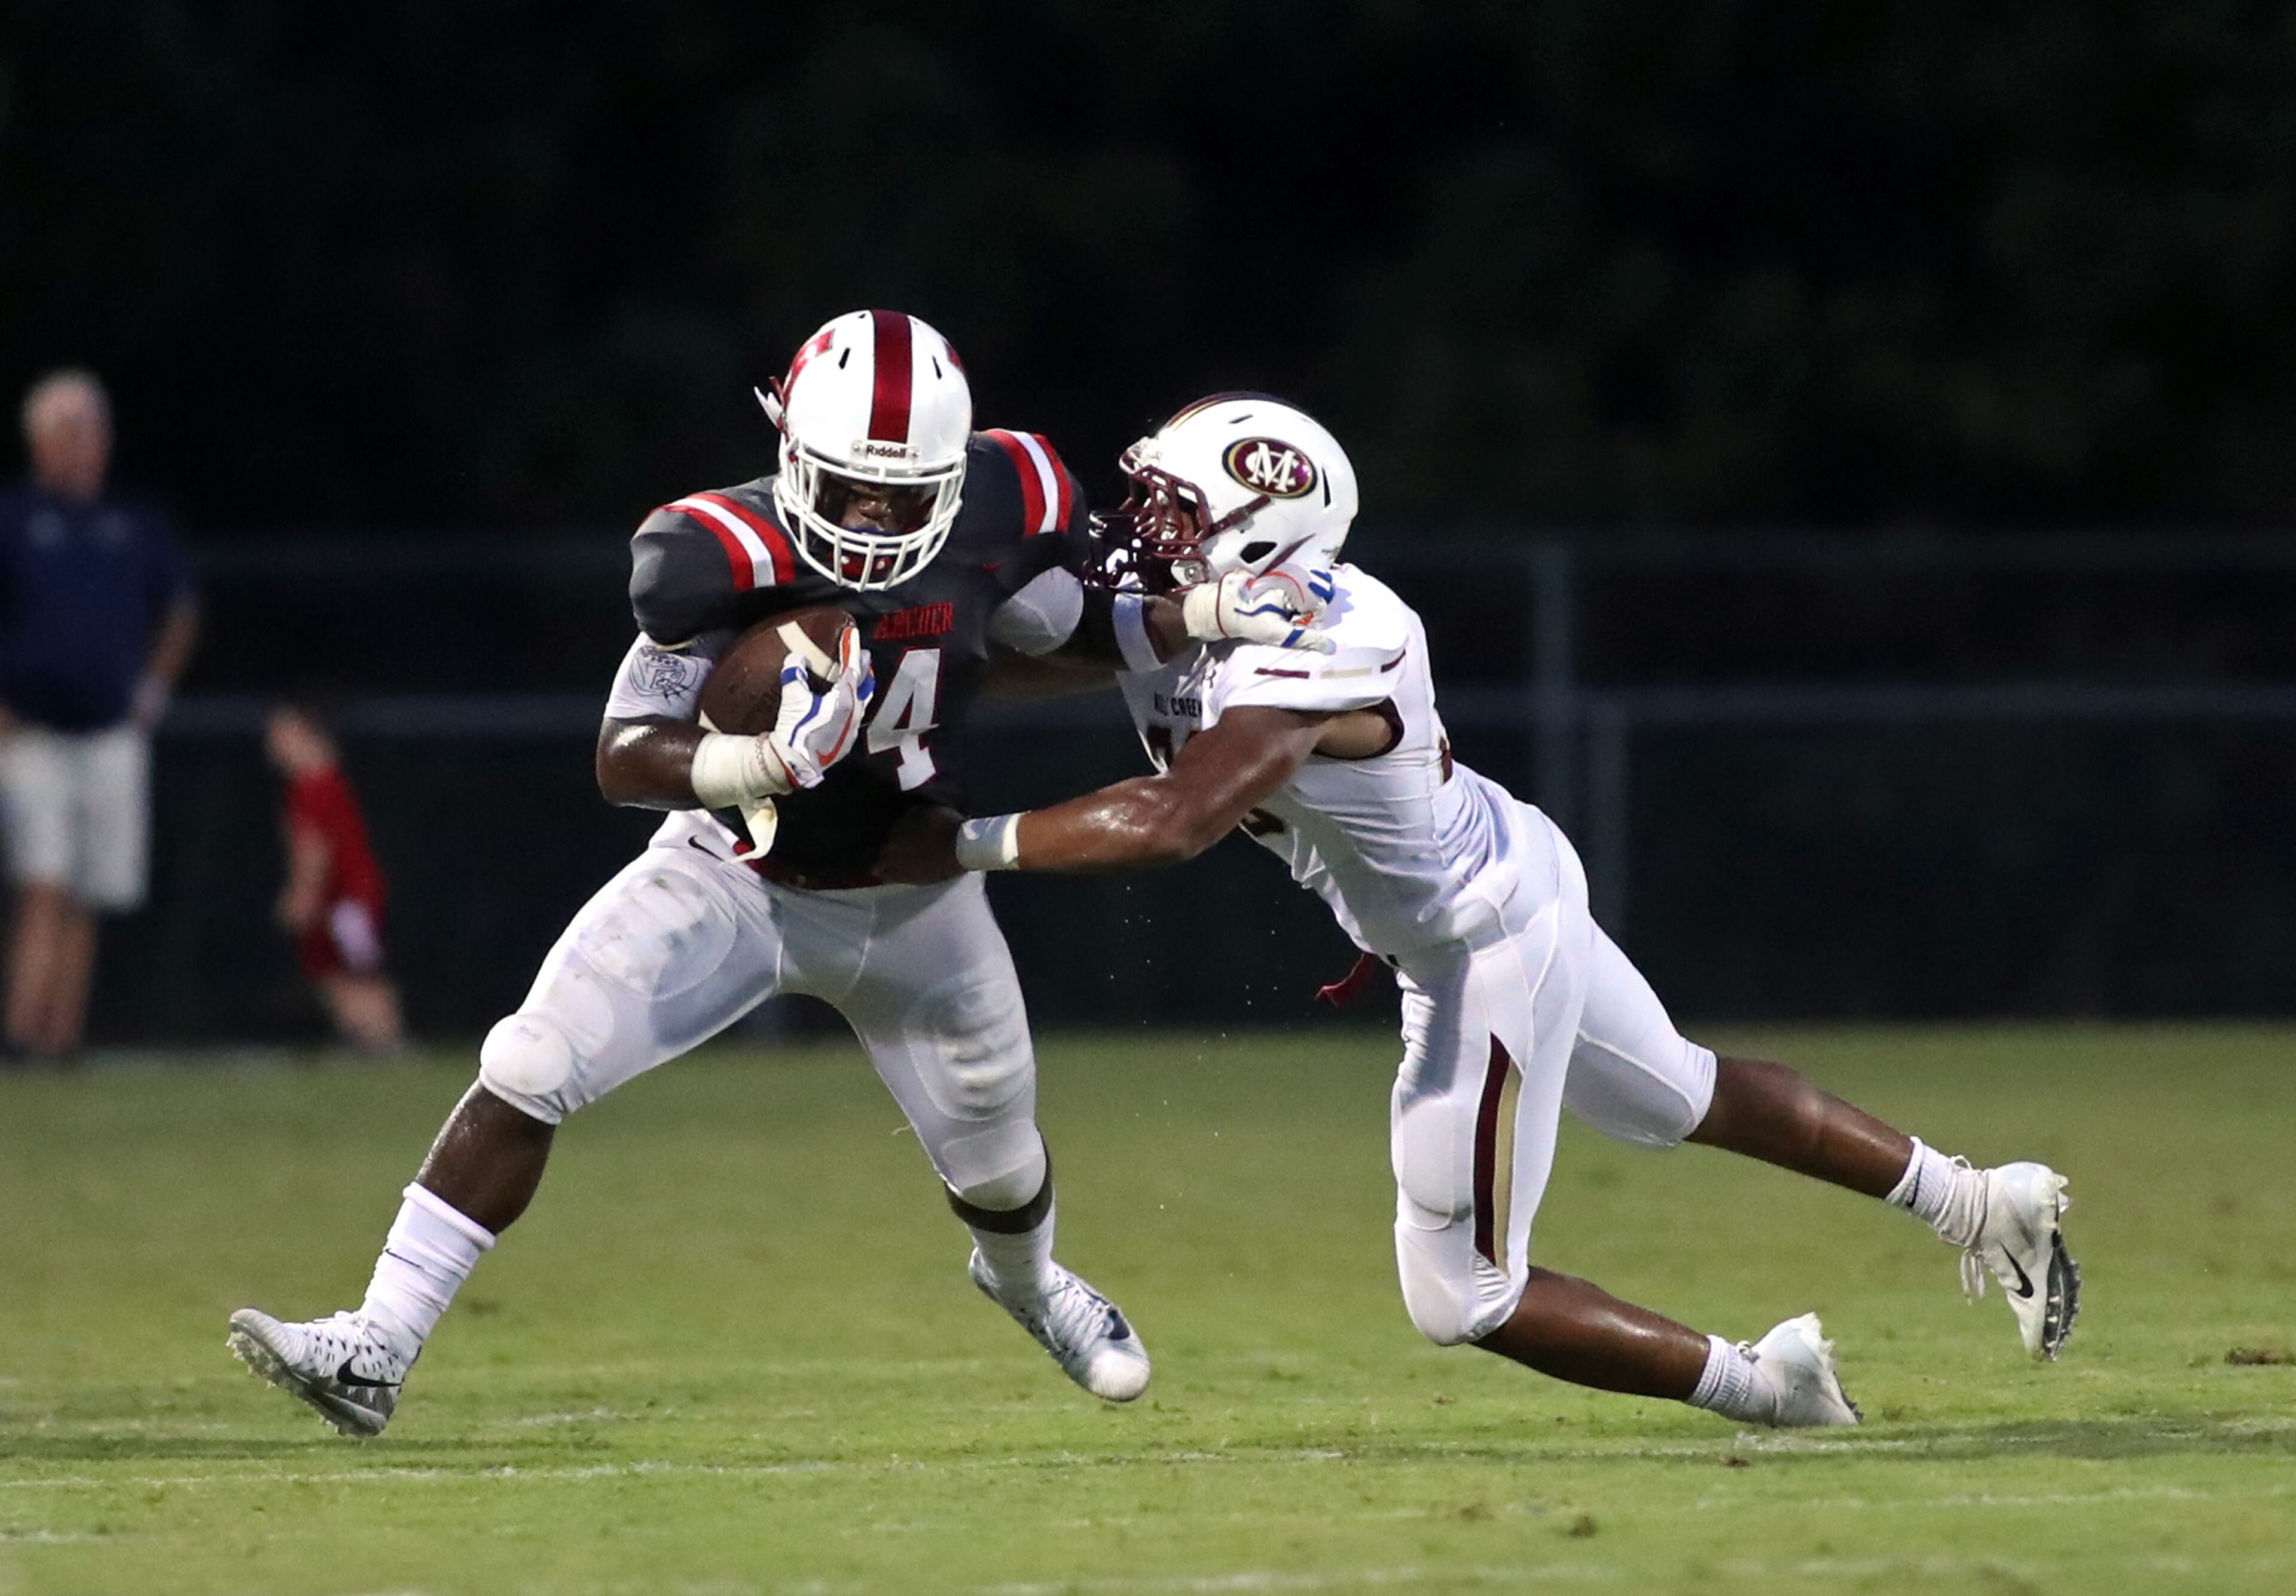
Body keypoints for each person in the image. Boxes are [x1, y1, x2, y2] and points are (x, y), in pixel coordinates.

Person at [876, 393, 2081, 1427]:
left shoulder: (1325, 639)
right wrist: (930, 660)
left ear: (1262, 539)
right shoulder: (1213, 606)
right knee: (1679, 1092)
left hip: (1480, 945)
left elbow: (1176, 818)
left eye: (1176, 515)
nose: (1139, 531)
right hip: (1507, 869)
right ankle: (1980, 1201)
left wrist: (955, 842)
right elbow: (1058, 648)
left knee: (1461, 1293)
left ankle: (1771, 1387)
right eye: (1148, 498)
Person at [225, 313, 1329, 1438]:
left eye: (905, 497)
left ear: (954, 475)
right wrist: (748, 760)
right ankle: (380, 1339)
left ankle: (1031, 1281)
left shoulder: (1010, 497)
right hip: (737, 872)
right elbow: (623, 751)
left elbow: (1063, 628)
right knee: (531, 1058)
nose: (874, 521)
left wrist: (1197, 612)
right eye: (850, 489)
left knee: (999, 1169)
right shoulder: (714, 550)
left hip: (917, 889)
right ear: (793, 451)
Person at [0, 370, 199, 1062]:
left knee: (91, 890)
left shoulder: (132, 524)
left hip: (112, 730)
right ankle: (22, 1034)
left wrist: (151, 693)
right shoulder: (15, 520)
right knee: (44, 881)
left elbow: (179, 607)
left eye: (91, 431)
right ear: (39, 441)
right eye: (67, 432)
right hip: (32, 734)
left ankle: (62, 1040)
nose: (83, 446)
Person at [264, 702, 405, 1051]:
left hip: (346, 901)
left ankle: (386, 1044)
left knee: (356, 975)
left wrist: (303, 894)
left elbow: (314, 850)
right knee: (338, 975)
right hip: (343, 899)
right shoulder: (328, 782)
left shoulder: (313, 788)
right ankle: (371, 1043)